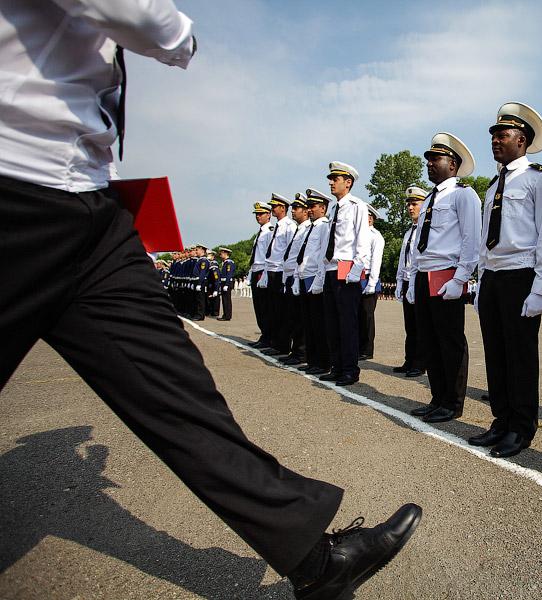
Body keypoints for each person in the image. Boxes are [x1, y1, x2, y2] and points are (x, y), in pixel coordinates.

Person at [0, 3, 420, 598]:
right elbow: (151, 24)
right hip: (15, 189)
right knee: (179, 392)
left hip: (84, 201)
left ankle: (314, 559)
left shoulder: (349, 217)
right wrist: (179, 31)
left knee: (178, 392)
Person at [468, 102, 542, 458]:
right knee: (495, 353)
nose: (495, 141)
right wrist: (479, 282)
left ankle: (521, 428)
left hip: (521, 274)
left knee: (520, 356)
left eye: (502, 135)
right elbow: (483, 239)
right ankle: (501, 419)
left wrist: (540, 287)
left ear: (521, 140)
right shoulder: (493, 186)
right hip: (492, 275)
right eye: (493, 135)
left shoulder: (540, 178)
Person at [406, 133, 481, 423]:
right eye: (428, 159)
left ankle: (452, 402)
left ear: (453, 163)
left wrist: (461, 277)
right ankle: (437, 397)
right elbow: (419, 244)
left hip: (446, 273)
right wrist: (413, 279)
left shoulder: (463, 194)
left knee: (450, 340)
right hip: (425, 274)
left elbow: (471, 239)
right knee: (429, 340)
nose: (429, 164)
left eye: (434, 159)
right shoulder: (428, 200)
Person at [318, 162, 371, 387]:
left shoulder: (357, 206)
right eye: (330, 179)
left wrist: (358, 268)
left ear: (348, 182)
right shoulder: (333, 209)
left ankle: (350, 369)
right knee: (332, 322)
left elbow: (362, 238)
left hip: (347, 268)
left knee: (348, 322)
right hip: (331, 268)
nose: (331, 182)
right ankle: (337, 366)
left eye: (335, 179)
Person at [392, 187, 427, 378]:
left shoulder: (425, 230)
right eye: (408, 204)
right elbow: (402, 259)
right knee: (410, 325)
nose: (410, 207)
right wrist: (399, 281)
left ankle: (420, 363)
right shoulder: (409, 232)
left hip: (418, 280)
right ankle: (410, 359)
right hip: (406, 281)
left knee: (420, 324)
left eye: (414, 204)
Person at [258, 193, 297, 356]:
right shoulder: (278, 226)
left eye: (274, 206)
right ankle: (274, 342)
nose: (272, 209)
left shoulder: (289, 226)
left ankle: (282, 345)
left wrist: (285, 274)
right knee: (273, 310)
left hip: (281, 271)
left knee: (282, 312)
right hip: (272, 270)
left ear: (283, 208)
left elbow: (289, 252)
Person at [300, 189, 333, 376]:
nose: (309, 210)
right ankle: (312, 360)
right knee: (309, 323)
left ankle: (323, 362)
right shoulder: (310, 228)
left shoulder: (324, 226)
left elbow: (323, 254)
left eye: (313, 206)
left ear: (323, 207)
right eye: (309, 206)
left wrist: (320, 279)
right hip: (306, 276)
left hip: (316, 277)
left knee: (320, 323)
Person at [280, 194, 311, 366]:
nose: (293, 211)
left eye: (297, 208)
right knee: (293, 316)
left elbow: (303, 256)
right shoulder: (299, 229)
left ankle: (301, 352)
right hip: (292, 276)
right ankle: (295, 350)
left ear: (305, 211)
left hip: (300, 275)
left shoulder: (307, 229)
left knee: (300, 318)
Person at [358, 204, 385, 360]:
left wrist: (372, 283)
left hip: (369, 277)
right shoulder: (358, 234)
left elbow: (376, 261)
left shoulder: (376, 236)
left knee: (367, 316)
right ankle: (357, 346)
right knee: (356, 315)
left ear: (371, 218)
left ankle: (367, 349)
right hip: (357, 277)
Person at [249, 203, 275, 348]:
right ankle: (264, 335)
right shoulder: (260, 232)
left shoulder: (270, 231)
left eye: (261, 214)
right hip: (255, 270)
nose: (258, 216)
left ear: (268, 214)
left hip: (263, 271)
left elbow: (268, 255)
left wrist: (265, 273)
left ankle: (268, 336)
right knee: (258, 306)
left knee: (265, 306)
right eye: (256, 214)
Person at [217, 247, 235, 321]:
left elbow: (229, 274)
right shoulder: (225, 262)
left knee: (227, 300)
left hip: (227, 283)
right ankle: (225, 315)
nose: (220, 255)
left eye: (221, 254)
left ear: (225, 253)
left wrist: (227, 284)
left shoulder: (229, 263)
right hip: (224, 282)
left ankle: (227, 316)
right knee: (224, 300)